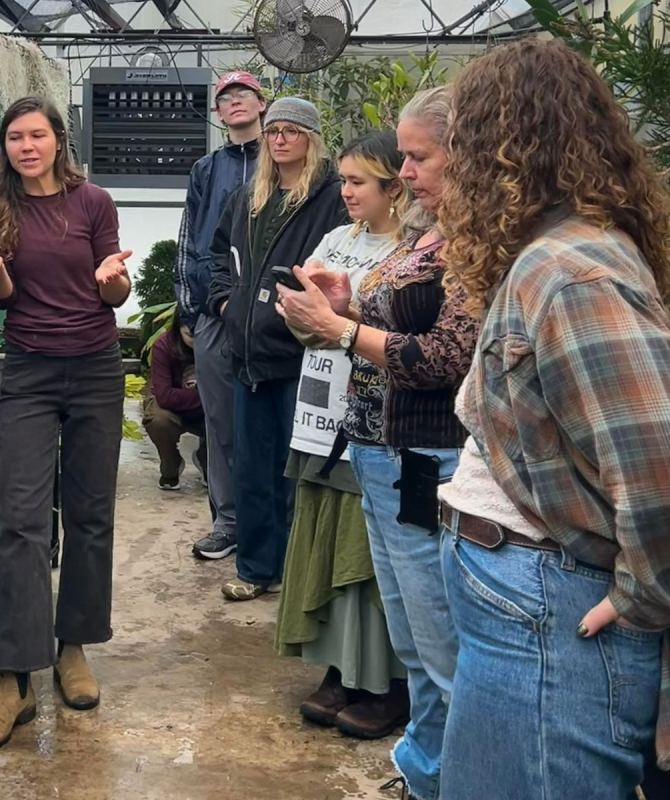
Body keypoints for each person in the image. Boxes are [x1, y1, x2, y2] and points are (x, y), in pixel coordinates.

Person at [434, 39, 670, 799]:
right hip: (524, 598)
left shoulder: (569, 272)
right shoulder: (557, 250)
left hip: (549, 606)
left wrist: (643, 600)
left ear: (498, 147)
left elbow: (655, 462)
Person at [276, 86, 479, 800]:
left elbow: (441, 359)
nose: (409, 170)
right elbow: (399, 325)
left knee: (441, 636)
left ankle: (463, 775)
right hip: (372, 446)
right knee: (414, 639)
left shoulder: (481, 240)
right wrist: (347, 304)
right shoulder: (429, 227)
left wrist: (339, 331)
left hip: (424, 456)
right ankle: (425, 770)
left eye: (419, 157)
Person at [0, 96, 130, 752]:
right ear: (5, 147)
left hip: (94, 370)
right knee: (22, 521)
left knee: (89, 512)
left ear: (59, 139)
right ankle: (15, 680)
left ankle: (73, 648)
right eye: (14, 137)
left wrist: (111, 279)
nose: (26, 146)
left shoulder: (94, 204)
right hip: (27, 370)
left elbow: (113, 294)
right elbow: (0, 294)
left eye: (37, 134)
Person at [274, 131, 409, 739]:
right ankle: (339, 665)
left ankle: (383, 679)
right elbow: (313, 326)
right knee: (326, 534)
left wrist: (335, 321)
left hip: (380, 420)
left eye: (358, 182)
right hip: (322, 409)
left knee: (369, 546)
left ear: (394, 185)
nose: (346, 191)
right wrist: (305, 317)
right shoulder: (337, 240)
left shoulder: (416, 248)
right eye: (345, 180)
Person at [207, 96, 347, 601]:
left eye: (293, 130)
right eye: (274, 131)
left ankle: (300, 576)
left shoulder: (330, 196)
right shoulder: (249, 196)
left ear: (311, 138)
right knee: (252, 467)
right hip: (248, 354)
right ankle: (256, 569)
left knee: (299, 471)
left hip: (301, 356)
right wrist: (226, 305)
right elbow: (217, 256)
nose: (281, 138)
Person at [175, 71, 266, 560]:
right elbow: (189, 237)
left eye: (243, 94)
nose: (234, 102)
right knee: (220, 422)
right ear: (217, 113)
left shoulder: (281, 161)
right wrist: (189, 306)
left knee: (271, 419)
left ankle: (272, 524)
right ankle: (227, 522)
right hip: (213, 311)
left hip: (272, 317)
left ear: (261, 103)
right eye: (225, 98)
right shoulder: (206, 169)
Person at [142, 307, 206, 490]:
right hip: (173, 409)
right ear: (178, 328)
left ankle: (207, 460)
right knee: (158, 420)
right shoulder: (164, 345)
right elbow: (164, 395)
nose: (195, 339)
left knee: (228, 413)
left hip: (207, 411)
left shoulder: (217, 344)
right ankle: (171, 466)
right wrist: (203, 396)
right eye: (189, 334)